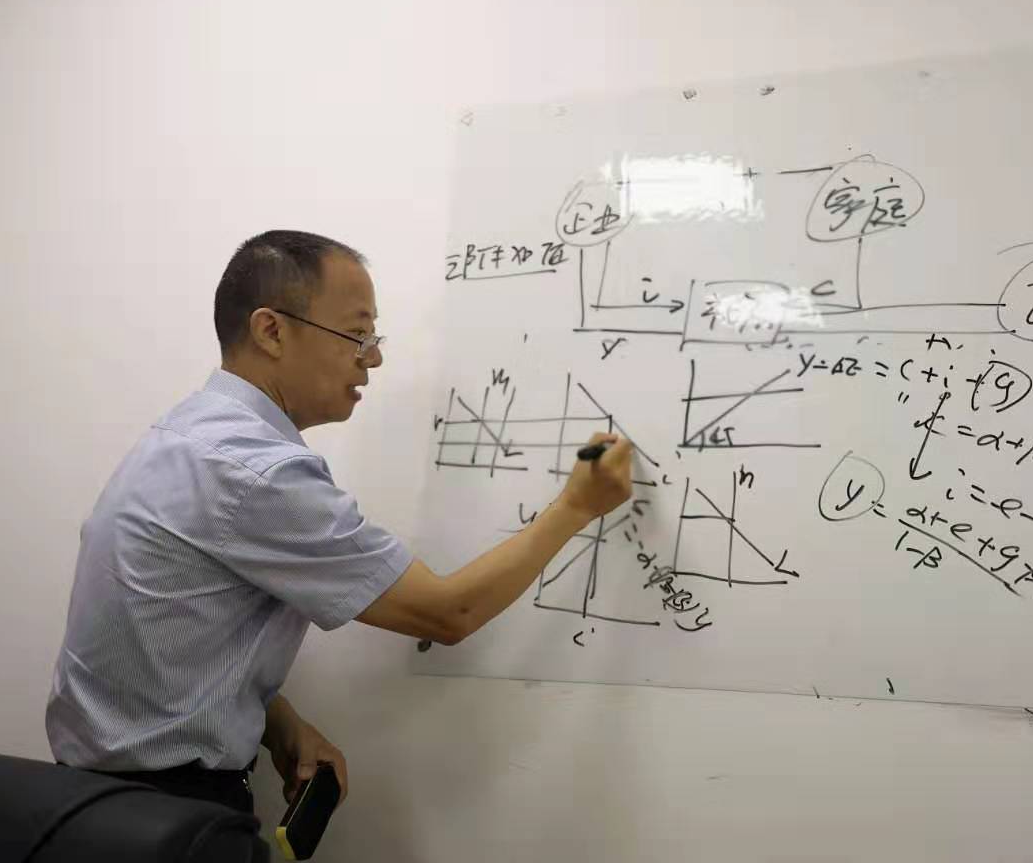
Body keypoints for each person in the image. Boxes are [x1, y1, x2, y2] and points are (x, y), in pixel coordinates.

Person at [45, 230, 632, 814]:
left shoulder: (187, 433)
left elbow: (171, 646)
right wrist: (576, 507)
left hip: (101, 803)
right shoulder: (254, 471)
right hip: (166, 815)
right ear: (271, 331)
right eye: (356, 335)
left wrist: (279, 724)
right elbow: (448, 612)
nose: (373, 358)